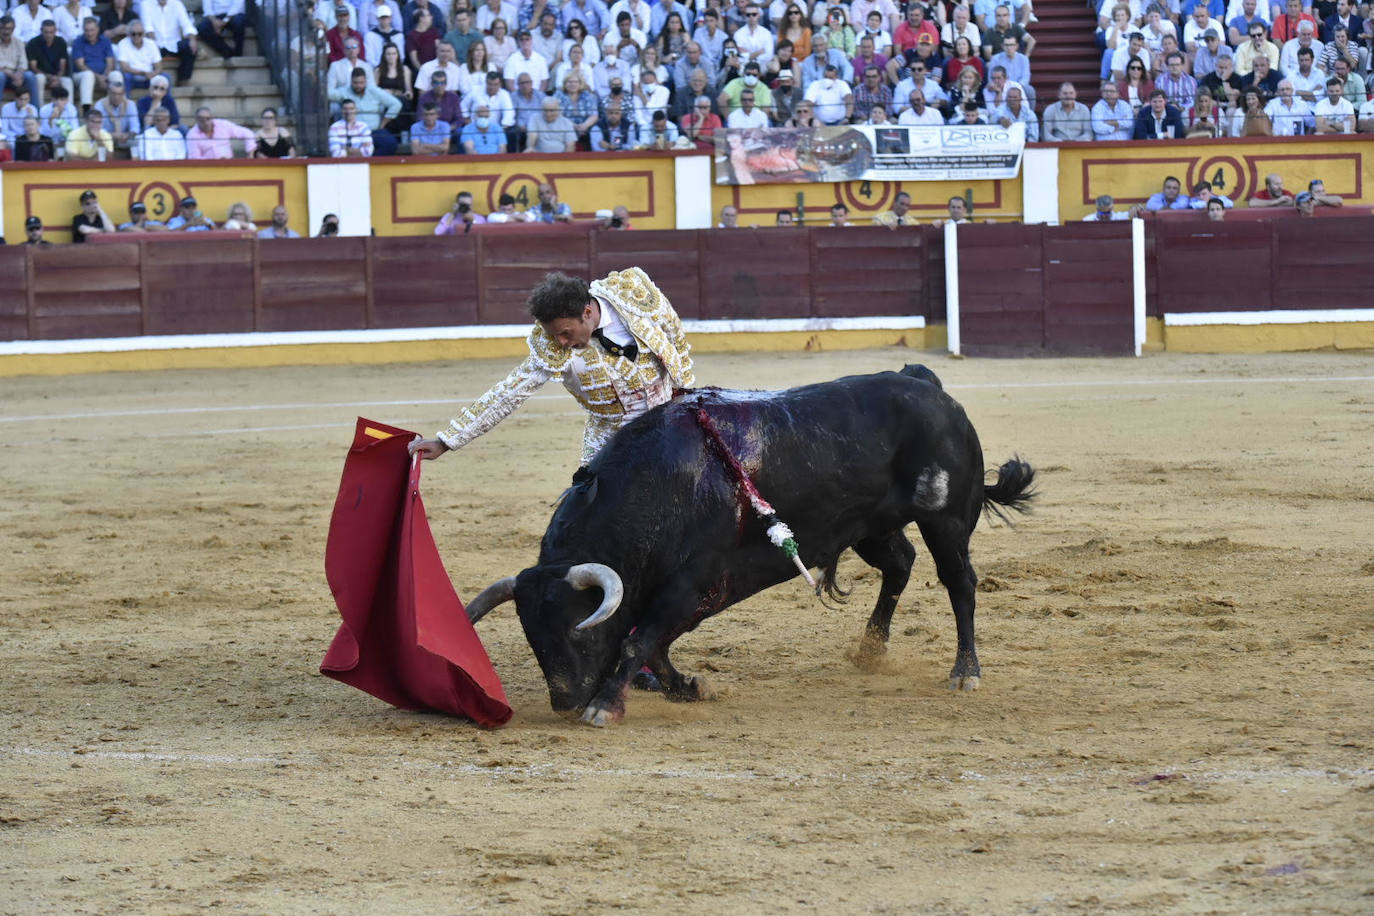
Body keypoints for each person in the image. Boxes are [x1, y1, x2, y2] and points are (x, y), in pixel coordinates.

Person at [409, 269, 696, 469]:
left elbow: (674, 332)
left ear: (587, 313)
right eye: (554, 334)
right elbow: (508, 393)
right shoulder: (551, 346)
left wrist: (685, 390)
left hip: (669, 424)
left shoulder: (632, 293)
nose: (560, 341)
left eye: (565, 332)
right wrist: (448, 441)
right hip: (611, 444)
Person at [329, 66, 403, 154]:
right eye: (355, 83)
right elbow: (326, 94)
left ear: (365, 81)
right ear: (351, 81)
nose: (358, 86)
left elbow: (396, 104)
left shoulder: (373, 90)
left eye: (361, 82)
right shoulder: (344, 91)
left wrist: (383, 123)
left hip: (374, 131)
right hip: (354, 132)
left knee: (391, 143)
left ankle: (374, 165)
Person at [139, 0, 197, 86]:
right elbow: (148, 28)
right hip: (156, 44)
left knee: (189, 46)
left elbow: (187, 25)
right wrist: (154, 45)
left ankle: (183, 80)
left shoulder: (177, 4)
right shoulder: (146, 4)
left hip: (174, 44)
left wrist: (192, 39)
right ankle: (154, 82)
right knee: (149, 48)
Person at [25, 19, 73, 107]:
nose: (48, 35)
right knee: (39, 78)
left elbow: (63, 65)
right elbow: (33, 67)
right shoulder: (33, 43)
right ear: (41, 31)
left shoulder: (61, 42)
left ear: (55, 31)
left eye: (51, 32)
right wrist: (49, 77)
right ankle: (39, 108)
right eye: (46, 32)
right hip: (42, 74)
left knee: (67, 81)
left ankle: (69, 111)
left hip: (57, 76)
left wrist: (57, 78)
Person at [186, 105, 254, 158]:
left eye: (208, 119)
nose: (206, 123)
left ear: (212, 117)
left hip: (229, 165)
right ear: (197, 120)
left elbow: (247, 133)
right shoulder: (192, 134)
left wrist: (250, 153)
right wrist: (213, 159)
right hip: (206, 169)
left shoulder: (223, 125)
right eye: (202, 120)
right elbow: (194, 159)